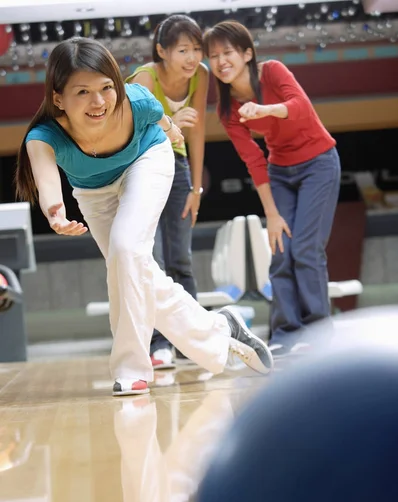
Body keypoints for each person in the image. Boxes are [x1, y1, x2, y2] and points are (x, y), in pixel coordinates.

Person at [15, 36, 273, 396]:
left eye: (107, 87)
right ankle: (222, 329)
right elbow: (47, 183)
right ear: (58, 98)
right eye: (83, 92)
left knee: (126, 250)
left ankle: (132, 366)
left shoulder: (135, 101)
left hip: (148, 161)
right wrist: (54, 211)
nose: (99, 101)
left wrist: (170, 130)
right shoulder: (44, 136)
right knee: (133, 267)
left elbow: (161, 119)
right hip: (93, 192)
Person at [204, 21, 341, 358]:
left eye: (228, 52)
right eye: (214, 55)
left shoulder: (273, 72)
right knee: (280, 250)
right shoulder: (227, 109)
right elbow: (254, 161)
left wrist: (265, 110)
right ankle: (285, 331)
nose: (221, 61)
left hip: (318, 163)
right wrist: (272, 214)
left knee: (306, 249)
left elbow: (300, 106)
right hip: (280, 172)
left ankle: (319, 331)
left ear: (247, 53)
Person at [126, 14, 208, 370]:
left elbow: (199, 129)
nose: (192, 58)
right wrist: (174, 125)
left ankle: (193, 340)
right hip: (142, 166)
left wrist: (196, 186)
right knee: (151, 260)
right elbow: (132, 132)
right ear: (162, 50)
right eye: (182, 50)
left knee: (181, 259)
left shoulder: (200, 74)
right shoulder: (145, 77)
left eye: (196, 49)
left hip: (178, 167)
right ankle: (159, 344)